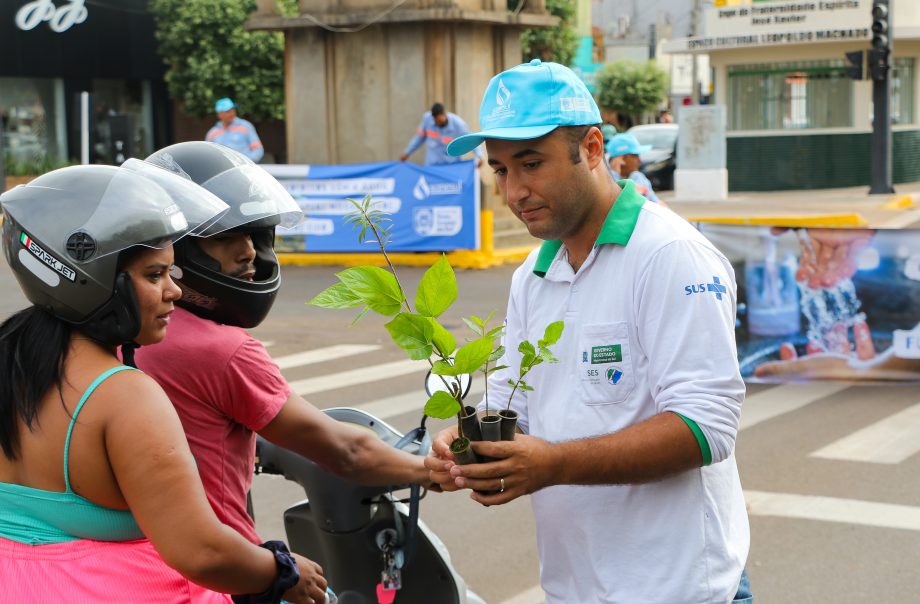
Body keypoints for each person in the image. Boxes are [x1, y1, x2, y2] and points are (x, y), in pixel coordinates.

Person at [426, 59, 752, 603]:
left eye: (532, 163)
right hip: (575, 588)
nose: (516, 191)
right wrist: (467, 447)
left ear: (594, 149)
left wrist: (555, 464)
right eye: (502, 169)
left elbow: (707, 426)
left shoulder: (671, 256)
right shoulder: (533, 277)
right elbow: (514, 406)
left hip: (680, 590)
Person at [0, 162, 326, 603]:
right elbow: (202, 552)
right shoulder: (123, 395)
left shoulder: (12, 357)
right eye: (154, 275)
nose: (173, 290)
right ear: (91, 281)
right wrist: (283, 570)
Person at [136, 142, 430, 544]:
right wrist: (435, 470)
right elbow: (348, 453)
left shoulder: (129, 330)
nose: (249, 253)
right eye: (226, 237)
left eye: (256, 235)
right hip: (220, 564)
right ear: (178, 247)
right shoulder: (222, 351)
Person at [400, 102, 483, 167]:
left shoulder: (458, 124)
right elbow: (418, 138)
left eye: (440, 121)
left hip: (451, 166)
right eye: (436, 121)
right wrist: (407, 152)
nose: (438, 123)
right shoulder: (427, 120)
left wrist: (480, 156)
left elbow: (470, 141)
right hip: (432, 166)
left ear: (445, 114)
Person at [606, 132, 661, 203]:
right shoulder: (607, 182)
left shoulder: (639, 177)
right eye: (635, 156)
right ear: (622, 158)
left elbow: (657, 203)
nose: (640, 160)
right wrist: (615, 173)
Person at [206, 98, 264, 163]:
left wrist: (247, 162)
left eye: (233, 110)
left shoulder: (246, 126)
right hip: (222, 169)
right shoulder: (212, 133)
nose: (232, 113)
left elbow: (258, 149)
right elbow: (208, 155)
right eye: (228, 111)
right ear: (219, 114)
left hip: (244, 168)